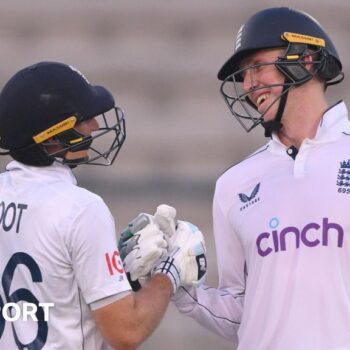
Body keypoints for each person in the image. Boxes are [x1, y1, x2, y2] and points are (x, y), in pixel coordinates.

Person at [120, 7, 350, 350]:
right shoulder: (234, 184)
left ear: (306, 60)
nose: (247, 84)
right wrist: (176, 282)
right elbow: (244, 314)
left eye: (257, 67)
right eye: (244, 74)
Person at [0, 61, 207, 349]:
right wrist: (168, 273)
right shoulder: (81, 208)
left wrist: (120, 278)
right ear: (53, 134)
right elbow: (126, 332)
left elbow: (53, 291)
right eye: (84, 119)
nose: (95, 126)